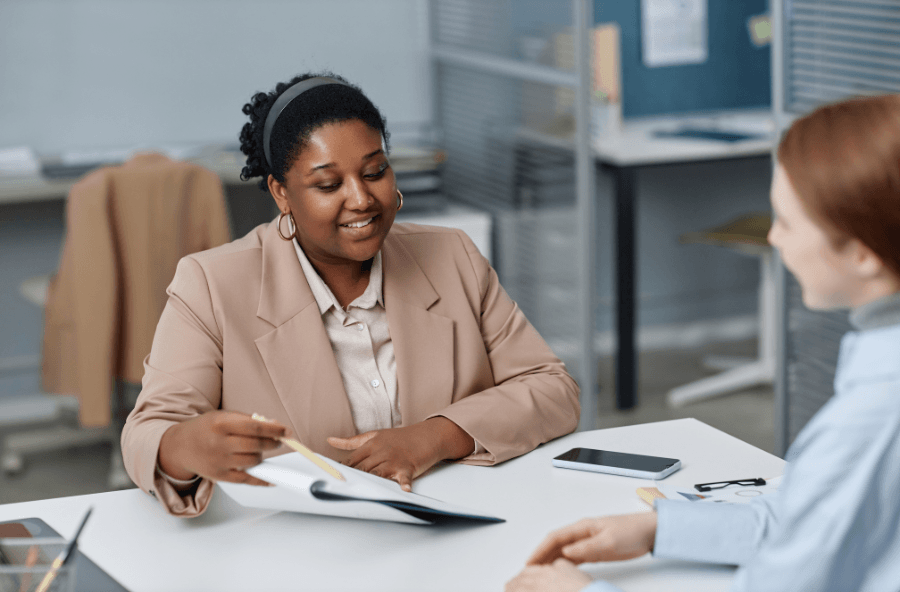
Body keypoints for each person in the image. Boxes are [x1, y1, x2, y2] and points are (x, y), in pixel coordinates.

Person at [121, 73, 580, 517]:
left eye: (375, 171)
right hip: (298, 548)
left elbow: (552, 389)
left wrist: (435, 437)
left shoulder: (452, 254)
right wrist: (184, 447)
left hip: (457, 522)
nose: (361, 199)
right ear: (282, 193)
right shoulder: (211, 283)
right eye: (328, 184)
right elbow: (146, 434)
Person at [507, 94, 900, 592]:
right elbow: (808, 520)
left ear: (863, 255)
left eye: (786, 221)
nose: (775, 240)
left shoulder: (870, 418)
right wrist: (661, 529)